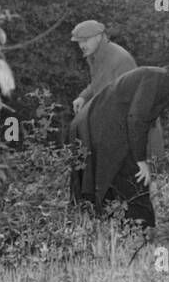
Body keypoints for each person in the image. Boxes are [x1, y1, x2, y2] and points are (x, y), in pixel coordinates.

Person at [71, 51, 169, 228]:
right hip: (98, 132)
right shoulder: (161, 79)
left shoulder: (162, 79)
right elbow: (136, 119)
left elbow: (138, 122)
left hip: (96, 131)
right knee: (134, 185)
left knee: (113, 190)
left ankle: (119, 237)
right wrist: (140, 160)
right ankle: (142, 238)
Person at [64, 19, 163, 186]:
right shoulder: (95, 56)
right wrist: (84, 96)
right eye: (79, 42)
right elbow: (99, 84)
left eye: (85, 40)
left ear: (98, 37)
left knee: (145, 183)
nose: (81, 45)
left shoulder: (119, 59)